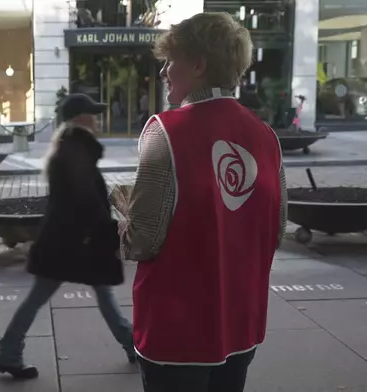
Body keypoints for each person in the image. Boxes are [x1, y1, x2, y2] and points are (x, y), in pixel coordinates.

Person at [110, 12, 287, 392]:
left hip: (177, 330)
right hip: (241, 321)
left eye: (170, 61)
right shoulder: (266, 136)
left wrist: (125, 210)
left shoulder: (166, 131)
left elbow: (142, 240)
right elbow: (275, 229)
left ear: (198, 64)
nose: (164, 73)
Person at [0, 93, 135, 379]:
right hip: (74, 243)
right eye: (92, 113)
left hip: (67, 242)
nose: (96, 119)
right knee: (53, 296)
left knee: (95, 294)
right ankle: (9, 352)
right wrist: (107, 232)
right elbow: (86, 202)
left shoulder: (71, 148)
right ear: (80, 118)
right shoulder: (76, 151)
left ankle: (131, 343)